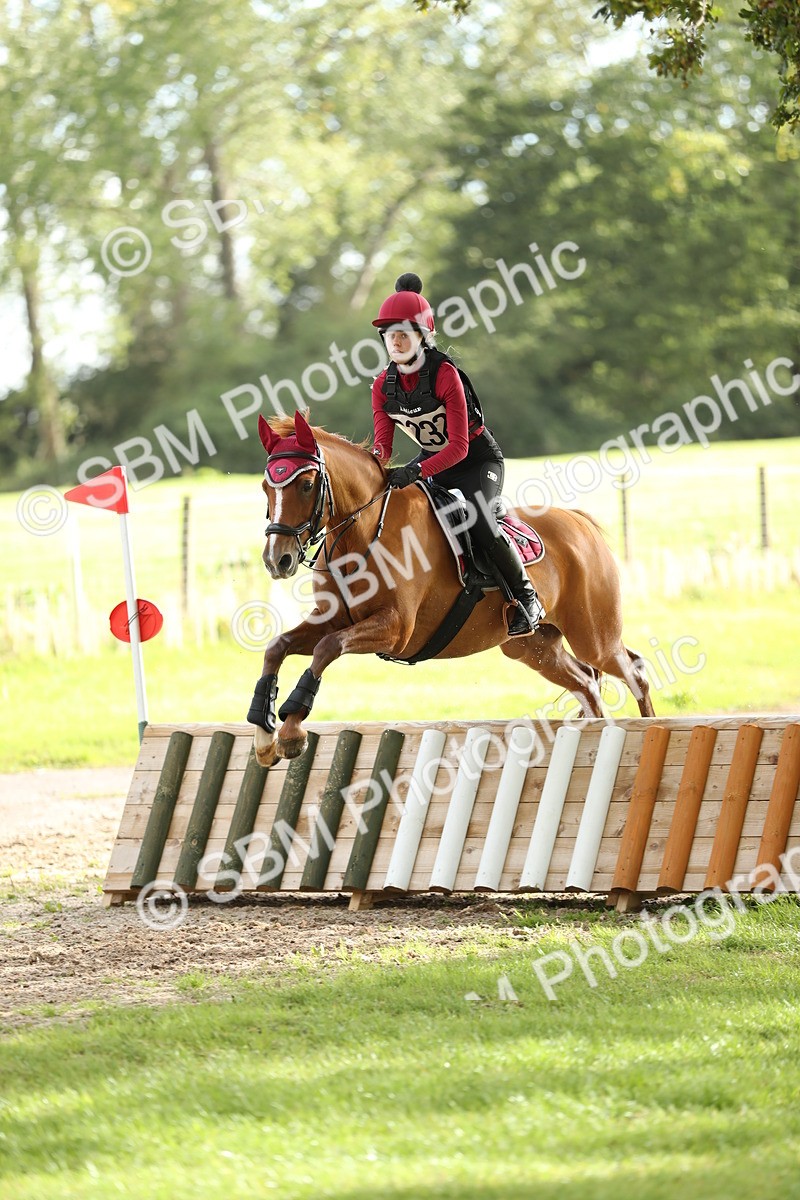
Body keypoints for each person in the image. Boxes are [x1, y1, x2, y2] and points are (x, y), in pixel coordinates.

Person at [370, 272, 546, 636]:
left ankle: (528, 598)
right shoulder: (381, 387)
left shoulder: (444, 374)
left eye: (405, 333)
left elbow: (460, 447)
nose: (397, 341)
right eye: (390, 334)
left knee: (481, 520)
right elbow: (382, 450)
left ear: (422, 337)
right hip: (435, 462)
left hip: (478, 461)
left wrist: (415, 472)